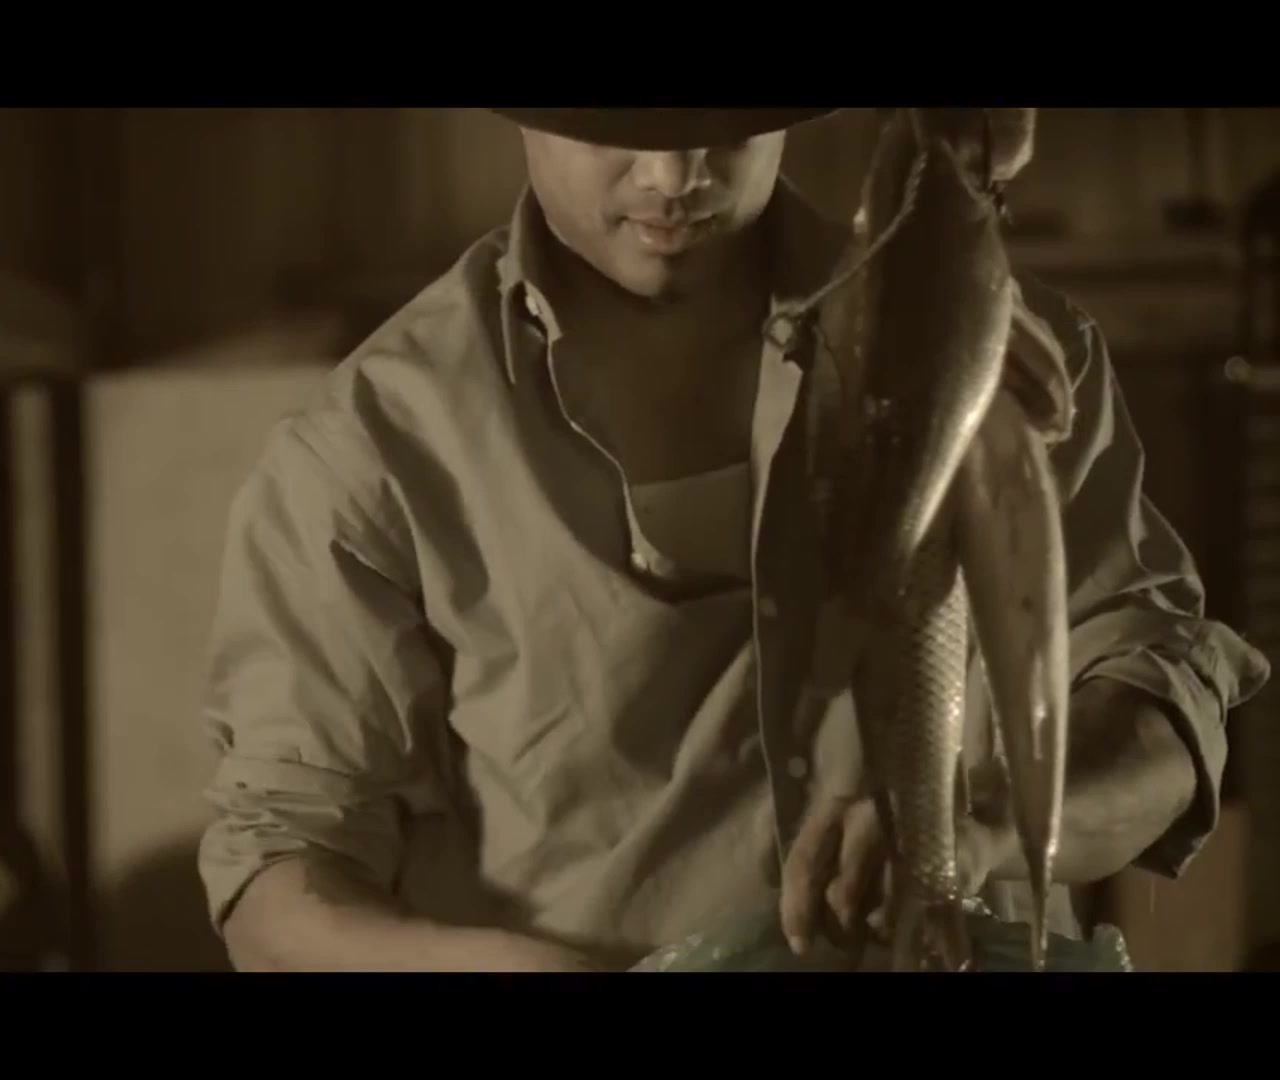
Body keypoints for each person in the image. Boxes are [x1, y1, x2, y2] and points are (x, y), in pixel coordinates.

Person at [197, 108, 1271, 972]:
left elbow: (1166, 710)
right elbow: (279, 880)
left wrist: (974, 825)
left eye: (721, 121)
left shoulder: (998, 363)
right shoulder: (371, 450)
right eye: (618, 125)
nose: (675, 174)